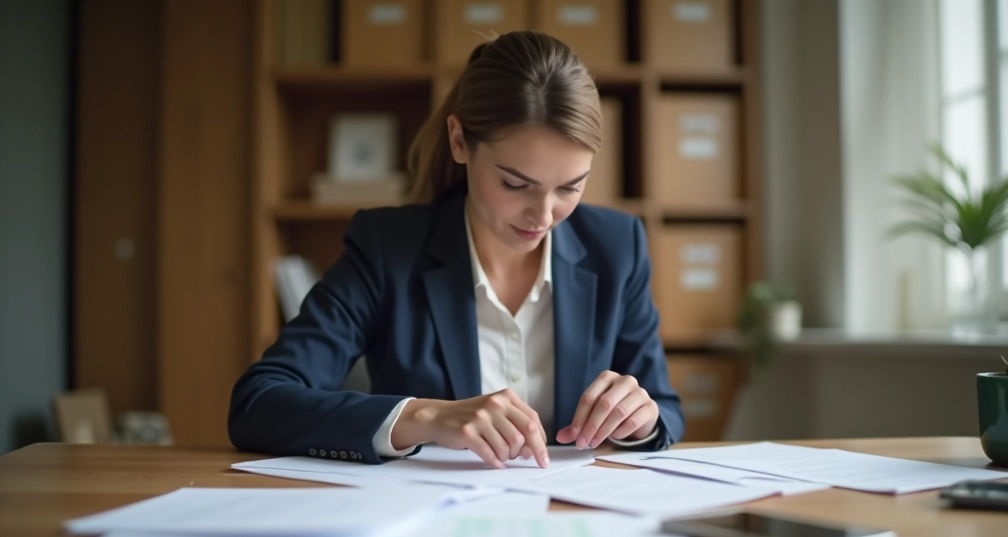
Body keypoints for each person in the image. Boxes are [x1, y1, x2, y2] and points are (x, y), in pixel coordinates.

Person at [228, 31, 685, 469]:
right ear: (460, 140)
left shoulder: (616, 246)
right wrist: (424, 418)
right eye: (515, 184)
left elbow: (665, 409)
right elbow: (259, 402)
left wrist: (639, 421)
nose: (543, 217)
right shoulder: (388, 248)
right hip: (429, 526)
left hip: (574, 522)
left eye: (570, 187)